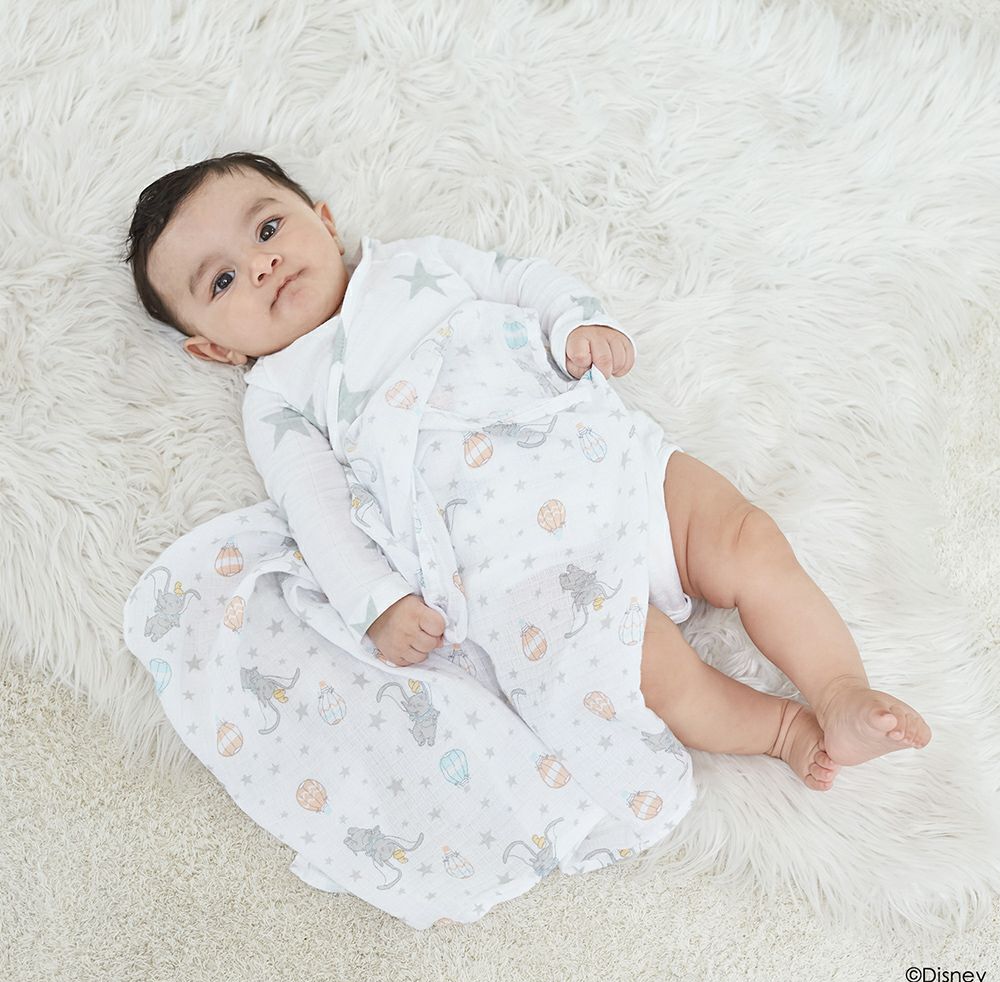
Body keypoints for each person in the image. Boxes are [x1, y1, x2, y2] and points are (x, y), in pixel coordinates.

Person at [119, 151, 930, 927]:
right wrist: (378, 602)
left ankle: (839, 689)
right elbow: (316, 512)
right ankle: (783, 731)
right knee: (651, 674)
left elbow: (518, 279)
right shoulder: (280, 395)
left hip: (602, 465)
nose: (261, 265)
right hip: (521, 565)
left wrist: (577, 321)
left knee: (746, 538)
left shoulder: (414, 264)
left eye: (268, 229)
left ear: (324, 221)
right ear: (213, 348)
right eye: (222, 281)